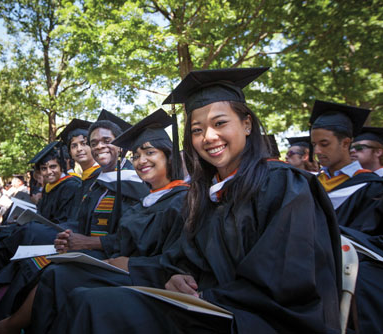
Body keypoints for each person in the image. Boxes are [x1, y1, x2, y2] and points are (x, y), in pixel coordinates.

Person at [48, 68, 342, 334]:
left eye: (220, 123)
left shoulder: (283, 184)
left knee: (96, 307)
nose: (208, 137)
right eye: (197, 130)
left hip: (258, 319)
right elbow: (186, 259)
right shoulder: (205, 193)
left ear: (247, 124)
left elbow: (285, 282)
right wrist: (176, 277)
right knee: (82, 296)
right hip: (205, 307)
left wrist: (206, 297)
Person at [0, 108, 189, 334]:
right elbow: (123, 238)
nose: (141, 160)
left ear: (168, 154)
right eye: (136, 155)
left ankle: (1, 326)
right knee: (50, 268)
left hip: (141, 274)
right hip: (120, 262)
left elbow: (176, 259)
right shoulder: (147, 197)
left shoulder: (179, 201)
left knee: (60, 276)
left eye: (149, 153)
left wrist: (104, 251)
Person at [309, 100, 383, 333]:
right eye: (314, 145)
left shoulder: (372, 187)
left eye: (324, 144)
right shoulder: (308, 184)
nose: (317, 151)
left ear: (346, 143)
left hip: (351, 272)